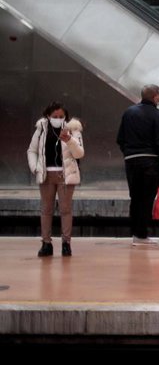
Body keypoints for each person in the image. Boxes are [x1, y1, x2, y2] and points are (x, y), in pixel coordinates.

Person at [27, 101, 85, 257]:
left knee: (66, 210)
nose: (58, 119)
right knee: (46, 210)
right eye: (55, 116)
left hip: (66, 175)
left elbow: (79, 153)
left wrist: (69, 140)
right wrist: (35, 167)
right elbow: (32, 150)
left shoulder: (73, 129)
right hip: (46, 175)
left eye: (61, 116)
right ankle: (46, 243)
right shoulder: (41, 128)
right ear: (48, 115)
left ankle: (66, 243)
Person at [117, 84, 159, 246]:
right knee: (147, 198)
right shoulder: (157, 114)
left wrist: (128, 153)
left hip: (131, 160)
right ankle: (141, 234)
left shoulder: (128, 112)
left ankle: (135, 234)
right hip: (150, 161)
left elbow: (120, 138)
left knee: (135, 197)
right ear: (155, 96)